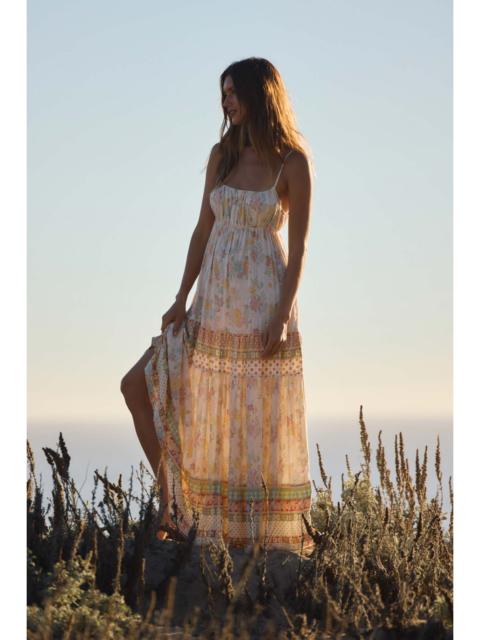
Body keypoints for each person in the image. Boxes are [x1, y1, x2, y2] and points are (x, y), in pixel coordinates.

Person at [121, 57, 315, 553]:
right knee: (136, 385)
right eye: (222, 93)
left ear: (259, 93)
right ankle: (173, 506)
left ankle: (241, 537)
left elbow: (298, 250)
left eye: (233, 92)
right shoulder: (222, 156)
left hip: (263, 306)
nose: (225, 102)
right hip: (212, 303)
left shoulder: (292, 162)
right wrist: (180, 297)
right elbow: (202, 229)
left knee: (248, 419)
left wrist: (281, 317)